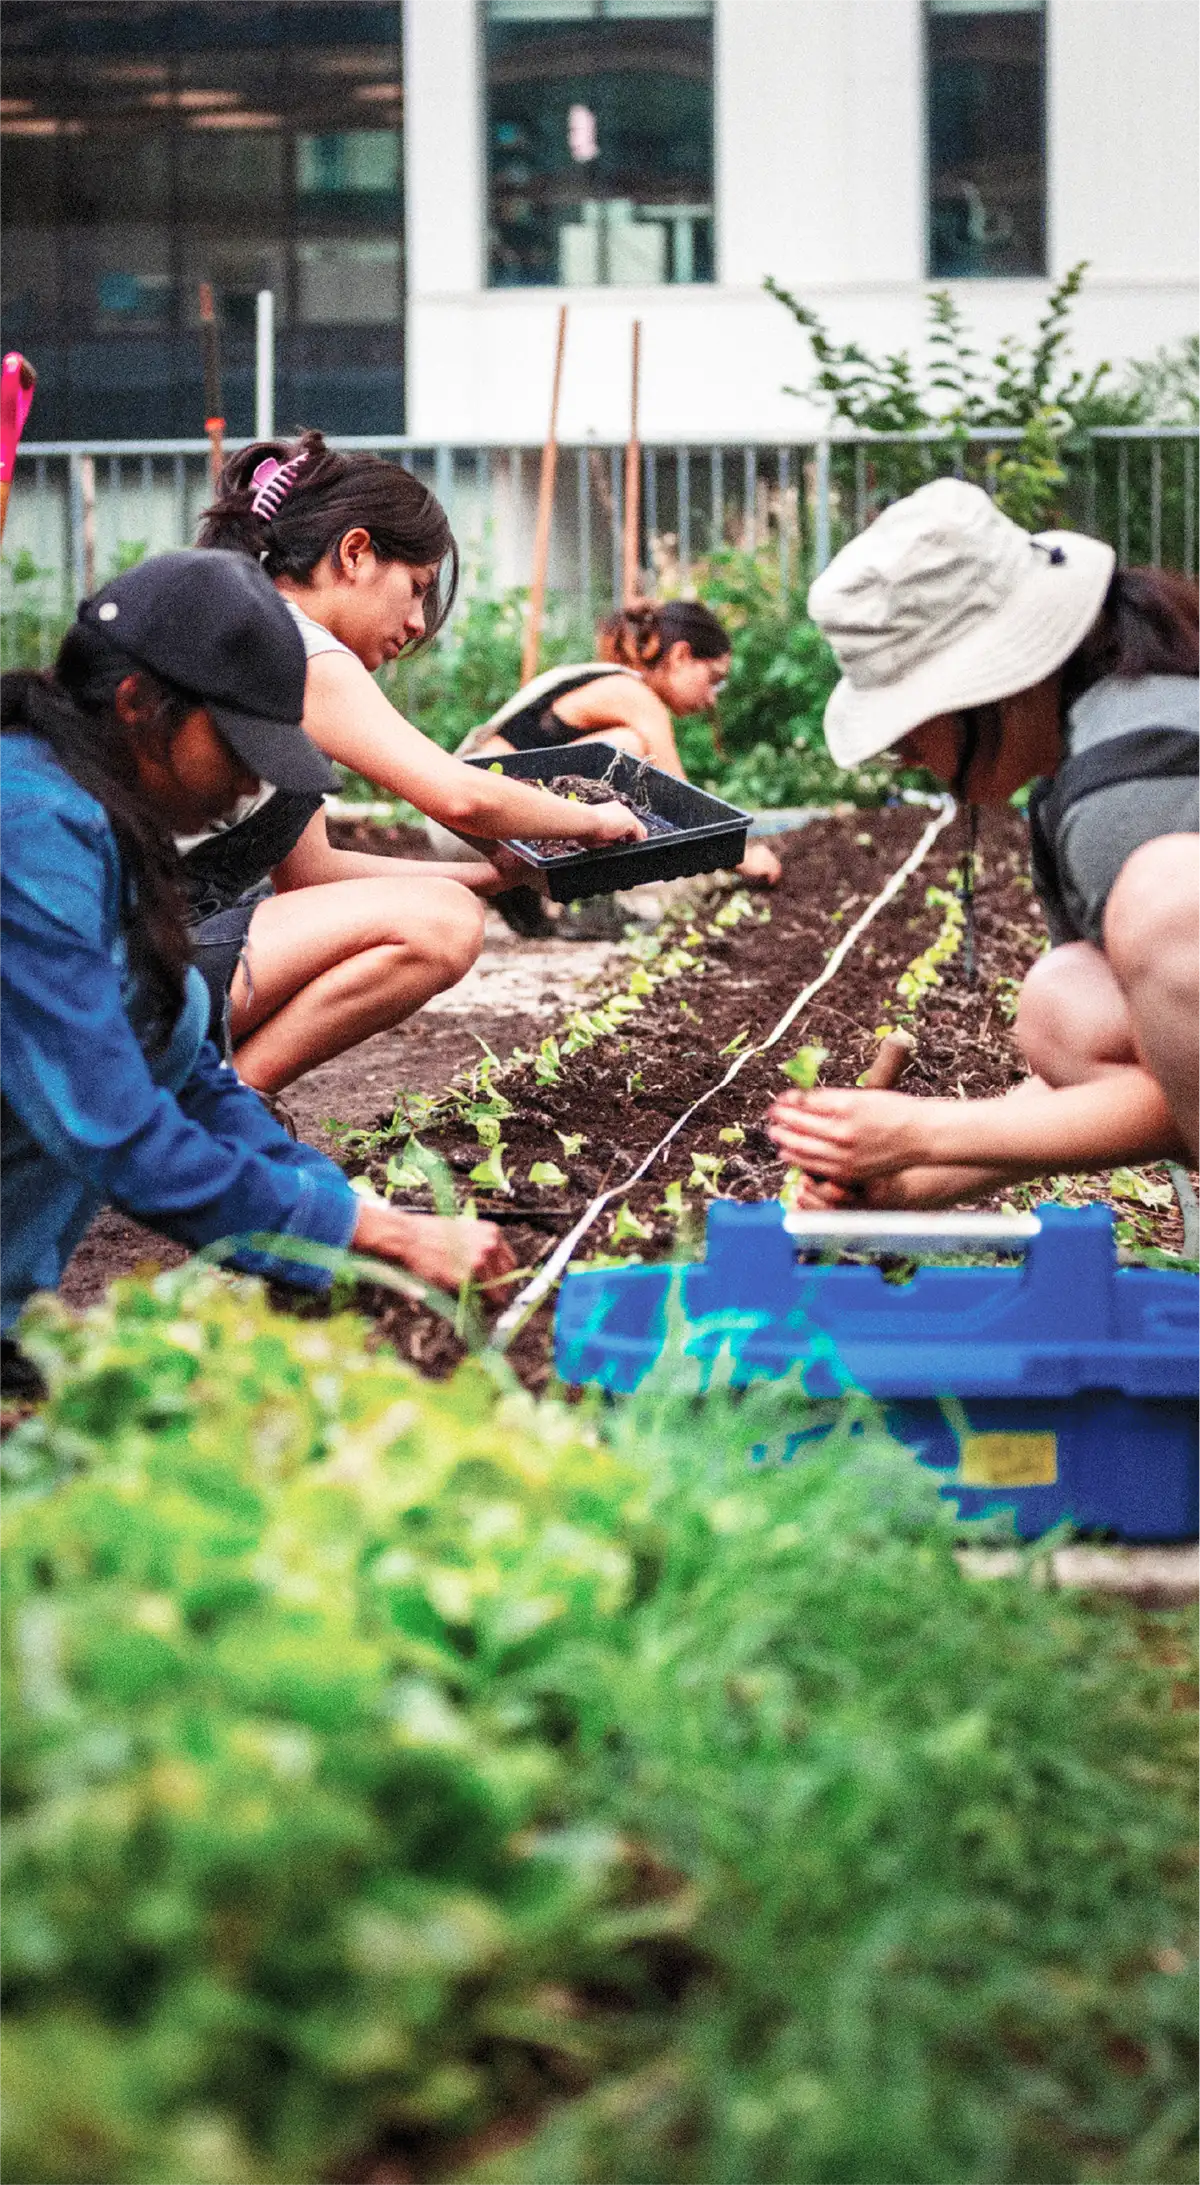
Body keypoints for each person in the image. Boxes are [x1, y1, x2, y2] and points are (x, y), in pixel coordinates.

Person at [0, 548, 512, 1339]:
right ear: (138, 702)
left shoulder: (103, 820)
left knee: (182, 1012)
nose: (249, 786)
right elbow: (112, 1120)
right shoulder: (30, 827)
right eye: (238, 750)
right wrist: (374, 1234)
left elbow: (189, 1077)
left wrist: (347, 1214)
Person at [768, 476, 1200, 1211]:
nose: (905, 753)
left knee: (1164, 899)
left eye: (906, 724)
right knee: (1066, 1000)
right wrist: (910, 1179)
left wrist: (930, 1131)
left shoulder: (1134, 785)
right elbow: (1165, 1077)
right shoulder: (1108, 731)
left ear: (988, 686)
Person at [195, 432, 645, 1080]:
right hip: (131, 970)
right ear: (355, 552)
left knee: (447, 908)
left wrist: (499, 878)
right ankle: (227, 1103)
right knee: (443, 924)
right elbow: (459, 794)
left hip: (146, 952)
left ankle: (213, 1099)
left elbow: (315, 876)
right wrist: (595, 819)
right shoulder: (297, 647)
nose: (415, 623)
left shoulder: (249, 630)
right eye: (416, 587)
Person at [456, 598, 782, 893]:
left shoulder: (611, 683)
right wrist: (742, 857)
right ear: (681, 656)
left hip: (468, 819)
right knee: (631, 751)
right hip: (477, 820)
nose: (711, 698)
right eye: (713, 678)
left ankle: (531, 896)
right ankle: (581, 897)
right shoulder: (634, 694)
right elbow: (680, 803)